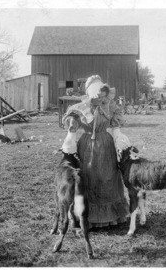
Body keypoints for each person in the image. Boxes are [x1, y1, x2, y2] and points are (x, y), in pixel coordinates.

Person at [61, 75, 131, 228]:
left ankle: (110, 216)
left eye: (104, 95)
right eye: (99, 95)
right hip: (87, 146)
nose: (101, 98)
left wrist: (119, 139)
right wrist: (70, 133)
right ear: (91, 93)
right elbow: (70, 125)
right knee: (87, 177)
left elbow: (116, 126)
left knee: (107, 177)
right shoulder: (80, 108)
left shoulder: (110, 106)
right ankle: (86, 216)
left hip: (106, 145)